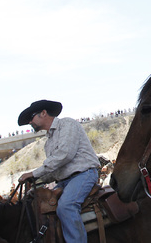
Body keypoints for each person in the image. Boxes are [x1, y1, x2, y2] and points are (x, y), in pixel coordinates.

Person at [17, 100, 100, 243]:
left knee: (66, 206)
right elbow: (54, 170)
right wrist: (35, 180)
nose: (30, 122)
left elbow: (65, 154)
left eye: (31, 117)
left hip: (83, 174)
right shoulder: (48, 142)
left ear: (43, 113)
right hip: (64, 181)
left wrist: (34, 173)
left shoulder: (67, 124)